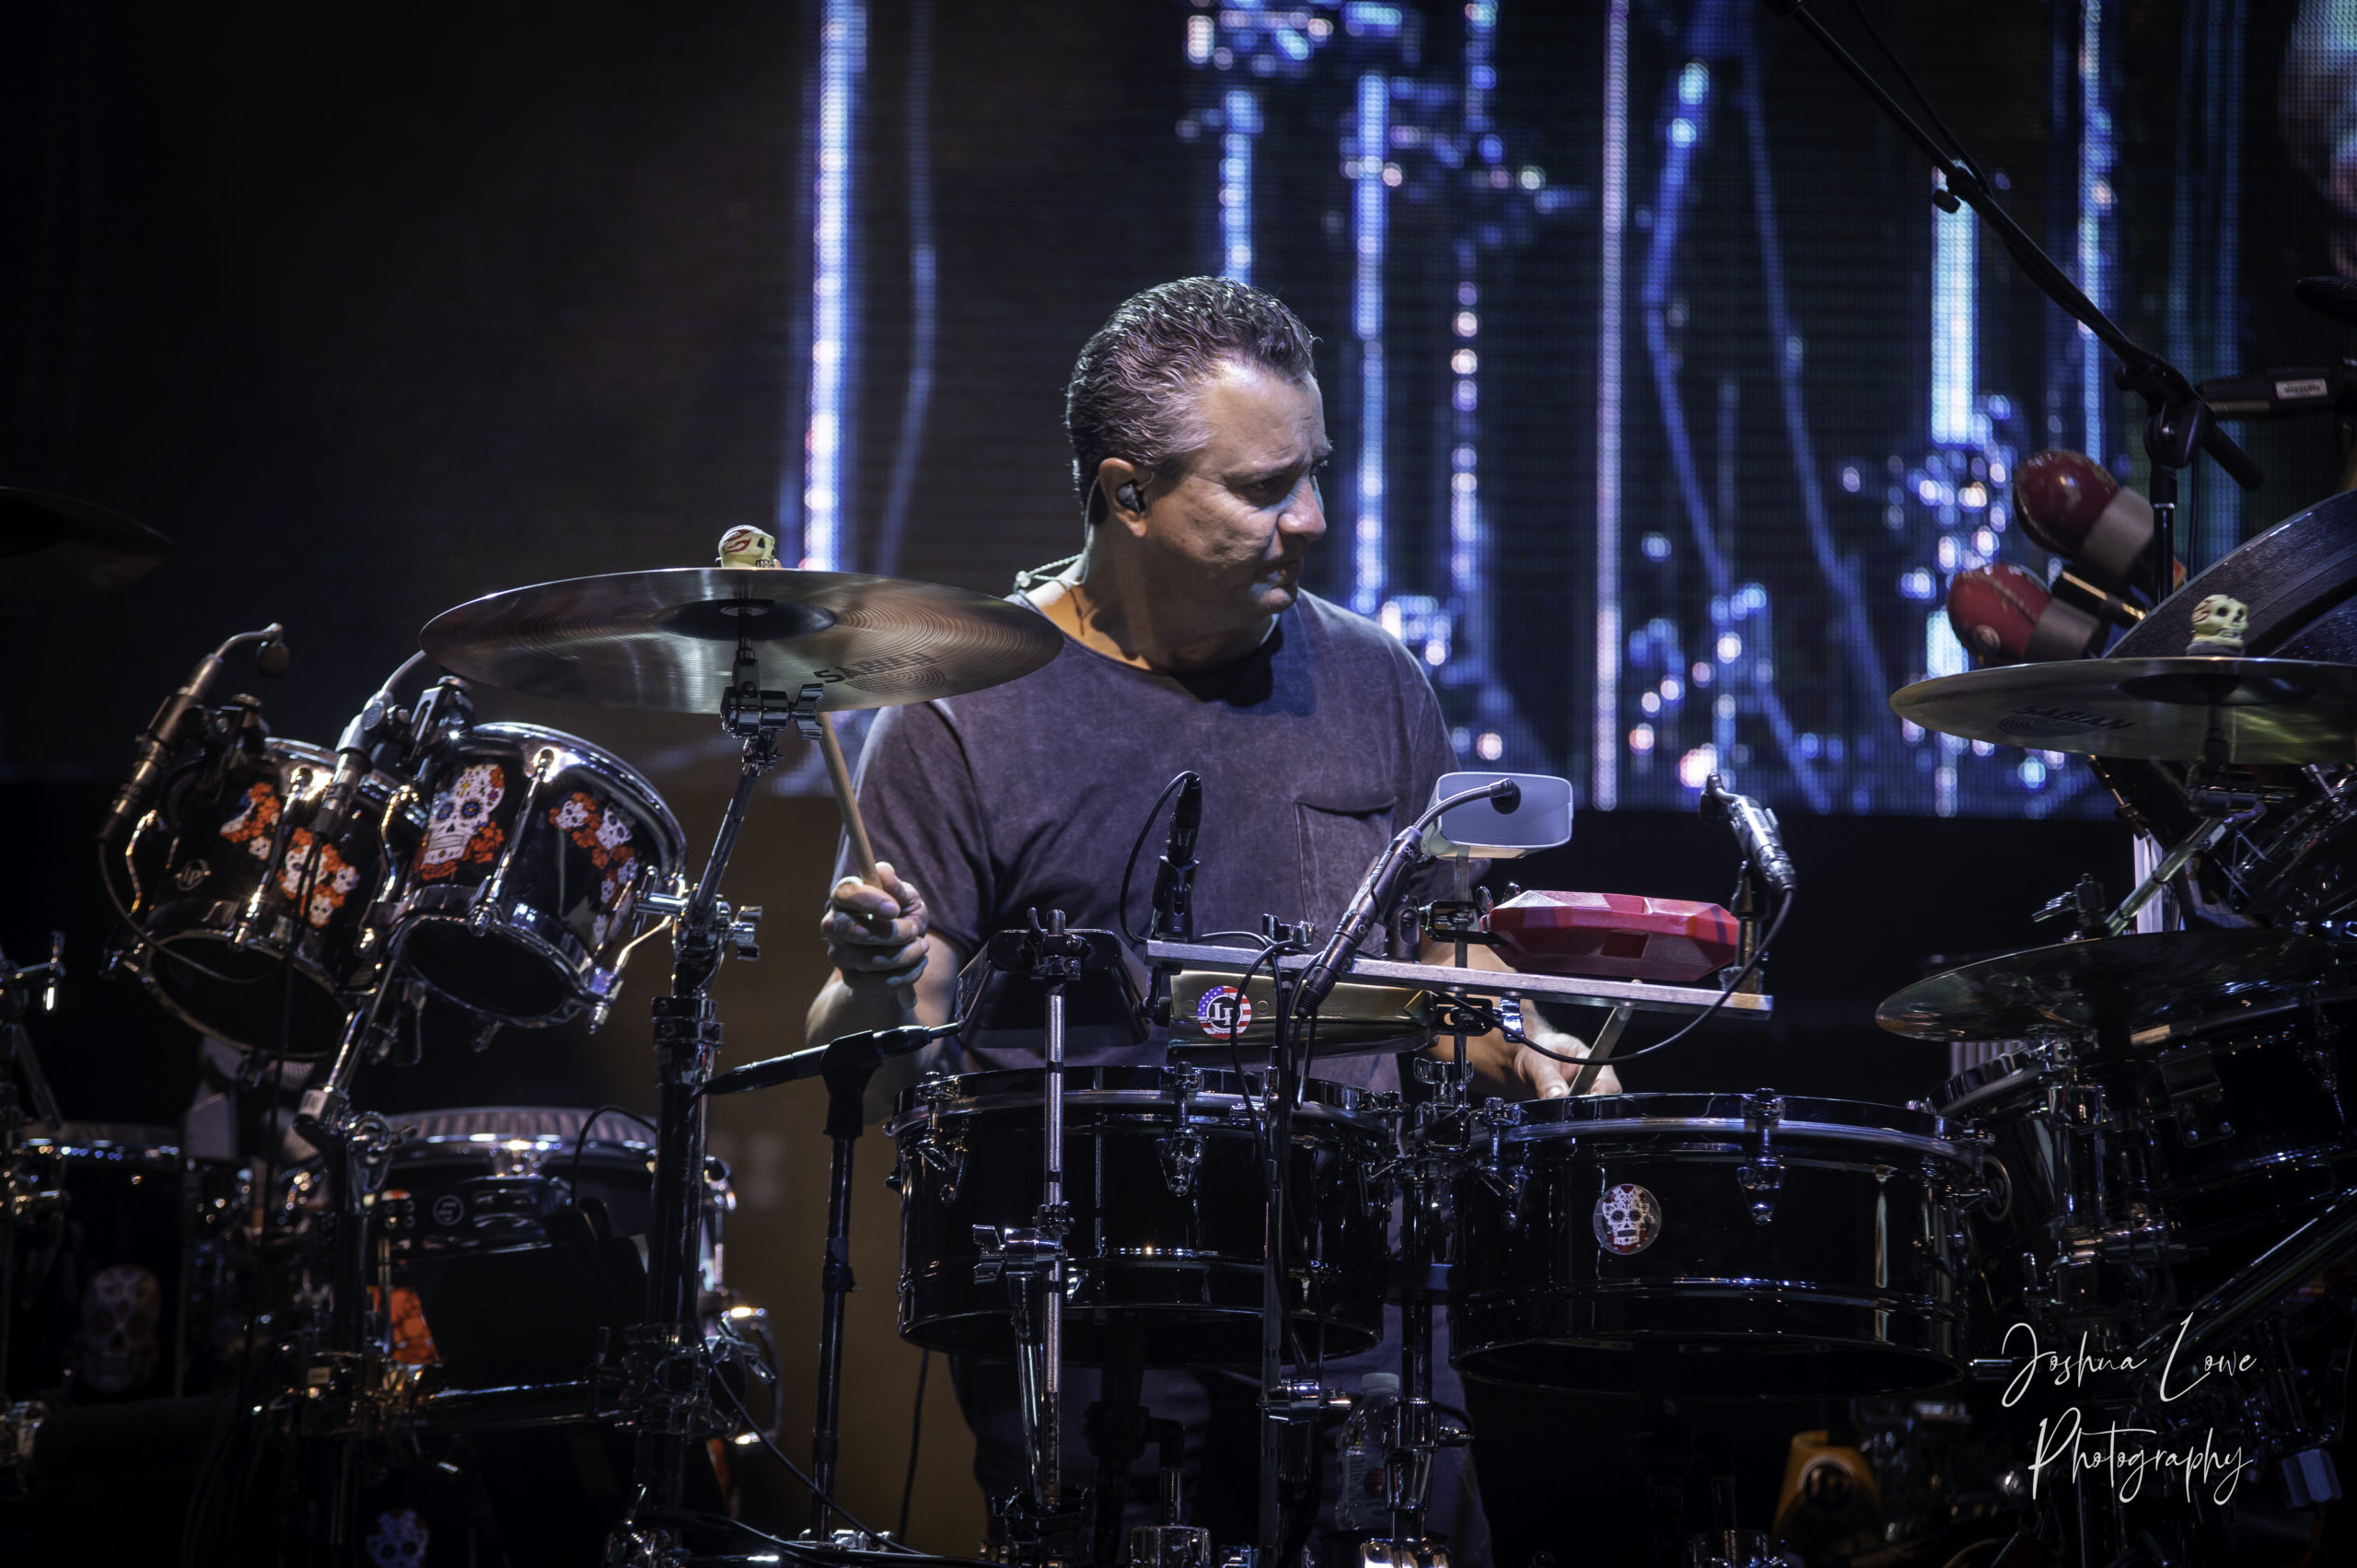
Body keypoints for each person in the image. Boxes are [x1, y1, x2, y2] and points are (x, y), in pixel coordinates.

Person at [805, 276, 1616, 1556]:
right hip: (1093, 1305)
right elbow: (885, 1037)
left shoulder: (1376, 680)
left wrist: (1529, 1041)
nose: (1313, 518)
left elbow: (1438, 954)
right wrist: (871, 979)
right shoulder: (962, 709)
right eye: (1263, 488)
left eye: (1316, 473)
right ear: (1127, 494)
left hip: (1355, 1288)